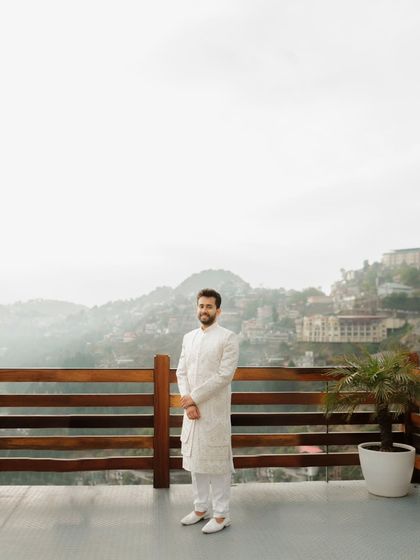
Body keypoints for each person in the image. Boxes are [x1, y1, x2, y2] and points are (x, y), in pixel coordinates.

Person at [176, 288, 239, 534]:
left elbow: (225, 376)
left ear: (218, 310)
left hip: (214, 411)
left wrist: (195, 397)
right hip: (191, 410)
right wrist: (189, 403)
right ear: (197, 308)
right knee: (196, 461)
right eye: (201, 306)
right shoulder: (188, 337)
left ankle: (222, 515)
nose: (204, 310)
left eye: (209, 306)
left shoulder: (227, 338)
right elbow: (181, 371)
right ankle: (200, 508)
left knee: (218, 462)